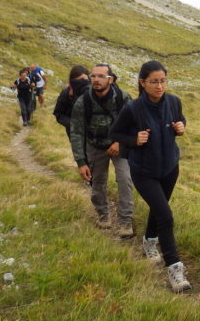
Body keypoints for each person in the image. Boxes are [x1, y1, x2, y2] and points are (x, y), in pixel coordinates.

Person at [110, 60, 191, 293]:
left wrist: (181, 127)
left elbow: (181, 120)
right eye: (154, 82)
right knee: (166, 216)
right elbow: (115, 133)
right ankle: (174, 268)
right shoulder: (133, 109)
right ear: (142, 83)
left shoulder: (174, 102)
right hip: (144, 172)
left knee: (160, 208)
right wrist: (134, 139)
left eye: (163, 80)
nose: (159, 86)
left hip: (169, 168)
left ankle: (149, 241)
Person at [70, 63, 135, 238]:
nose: (96, 80)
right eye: (93, 76)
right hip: (95, 147)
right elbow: (76, 132)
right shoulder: (83, 102)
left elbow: (134, 124)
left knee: (125, 180)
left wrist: (120, 142)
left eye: (101, 76)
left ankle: (125, 221)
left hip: (118, 147)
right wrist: (81, 162)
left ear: (110, 79)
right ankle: (103, 215)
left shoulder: (123, 98)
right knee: (97, 182)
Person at [53, 64, 90, 139]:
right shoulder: (66, 93)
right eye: (78, 80)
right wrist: (73, 125)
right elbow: (58, 114)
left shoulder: (94, 91)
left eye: (84, 79)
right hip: (75, 134)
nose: (82, 82)